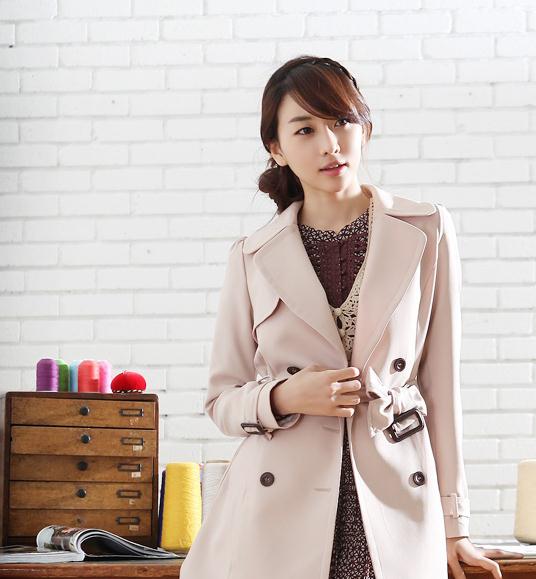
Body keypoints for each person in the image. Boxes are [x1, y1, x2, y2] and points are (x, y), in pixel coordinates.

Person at [179, 55, 523, 579]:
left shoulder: (426, 230)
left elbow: (441, 388)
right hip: (278, 511)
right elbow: (221, 399)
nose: (329, 144)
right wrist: (284, 397)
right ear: (276, 148)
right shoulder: (252, 255)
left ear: (366, 128)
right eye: (304, 129)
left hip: (393, 494)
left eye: (341, 121)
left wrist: (456, 526)